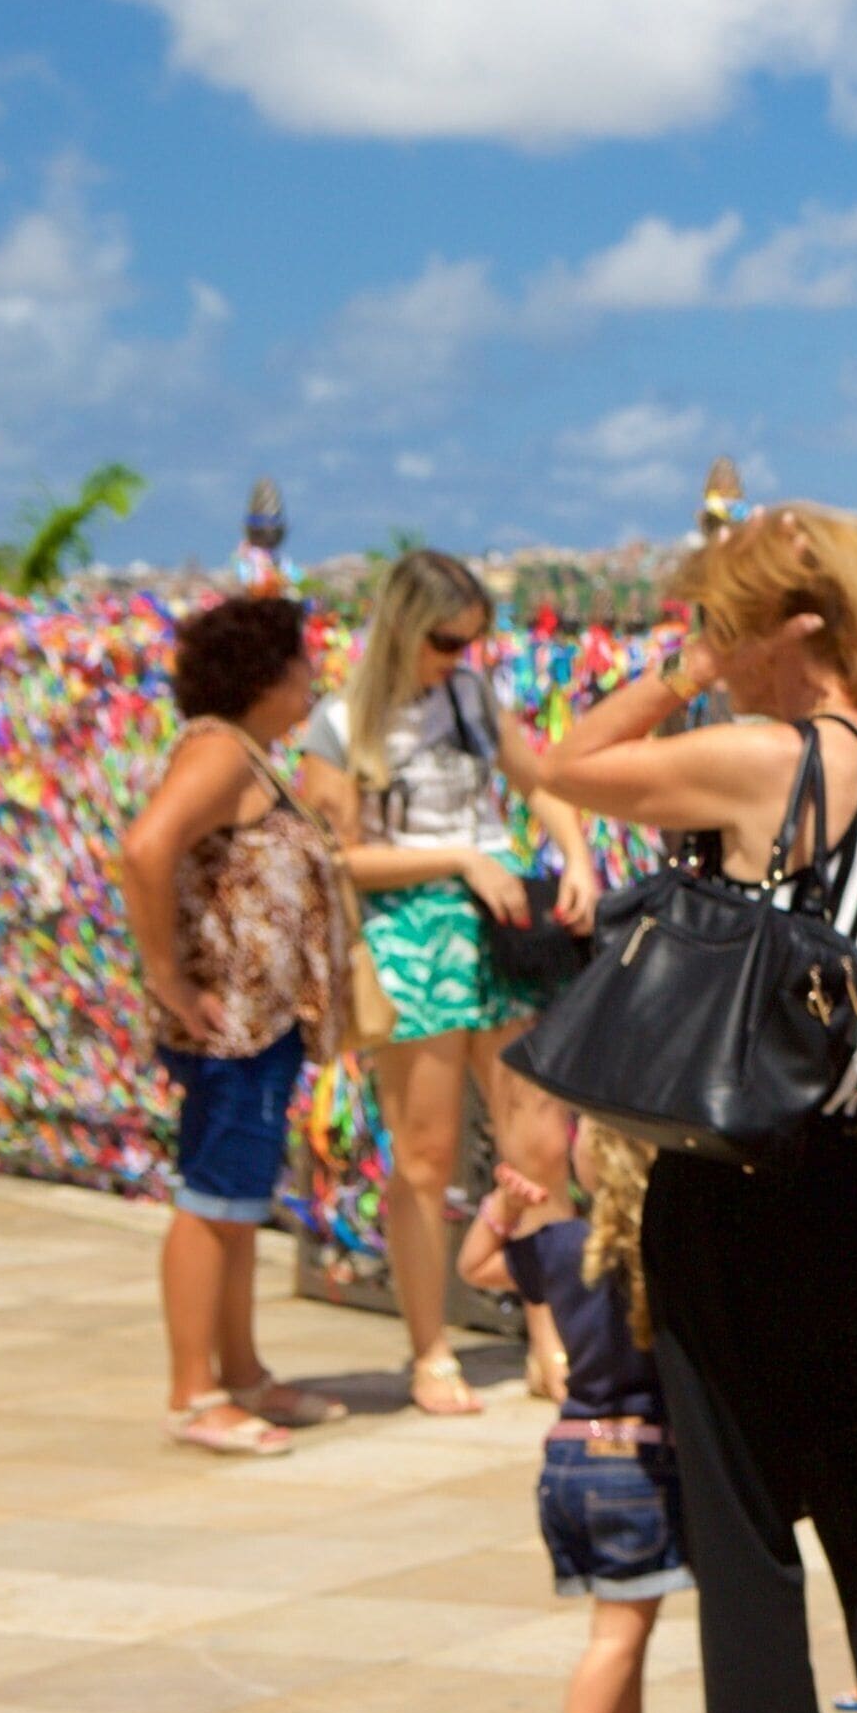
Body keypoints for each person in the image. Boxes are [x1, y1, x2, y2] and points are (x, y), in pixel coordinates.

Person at [535, 503, 857, 1713]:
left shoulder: (762, 761)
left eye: (727, 624)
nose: (712, 653)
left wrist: (673, 663)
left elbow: (559, 768)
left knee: (741, 1529)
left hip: (747, 1181)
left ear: (792, 632)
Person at [298, 548, 599, 1417]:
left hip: (499, 932)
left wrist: (574, 855)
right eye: (442, 639)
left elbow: (541, 781)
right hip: (413, 937)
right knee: (423, 1154)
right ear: (401, 628)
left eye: (468, 640)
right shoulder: (343, 722)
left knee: (536, 1148)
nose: (456, 656)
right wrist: (463, 858)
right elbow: (343, 857)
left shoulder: (473, 698)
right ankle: (429, 1347)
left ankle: (551, 1337)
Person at [115, 593, 350, 1455]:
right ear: (264, 672)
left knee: (239, 1200)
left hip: (262, 1023)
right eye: (299, 664)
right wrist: (167, 977)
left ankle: (241, 1370)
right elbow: (146, 849)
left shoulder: (249, 754)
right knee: (210, 1198)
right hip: (230, 1025)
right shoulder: (218, 752)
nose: (310, 680)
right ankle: (195, 1389)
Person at [454, 1111, 710, 1713]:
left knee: (627, 1612)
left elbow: (475, 1267)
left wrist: (498, 1213)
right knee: (619, 1633)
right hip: (631, 1464)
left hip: (566, 1457)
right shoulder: (663, 1253)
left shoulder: (565, 1246)